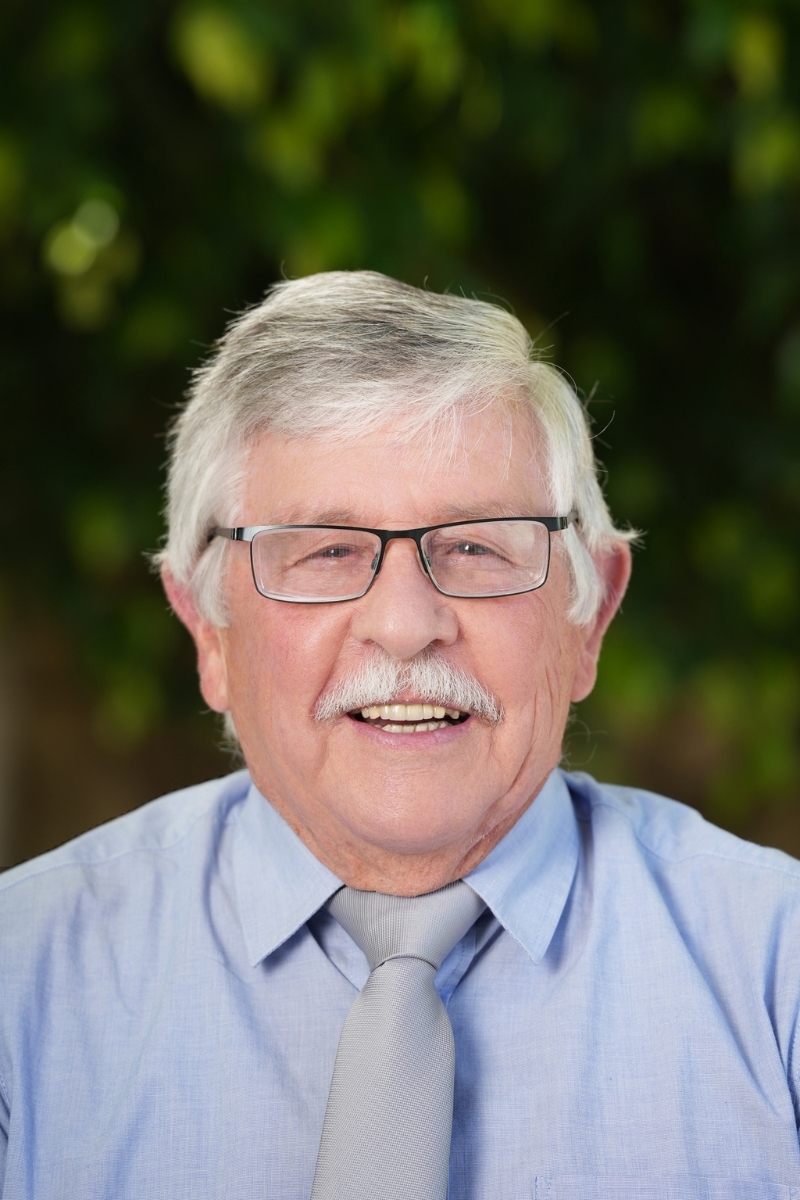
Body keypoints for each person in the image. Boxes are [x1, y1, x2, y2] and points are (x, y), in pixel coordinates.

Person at [1, 271, 799, 1199]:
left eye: (477, 545)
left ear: (589, 617)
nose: (406, 624)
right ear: (208, 631)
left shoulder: (777, 971)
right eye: (327, 550)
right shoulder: (21, 977)